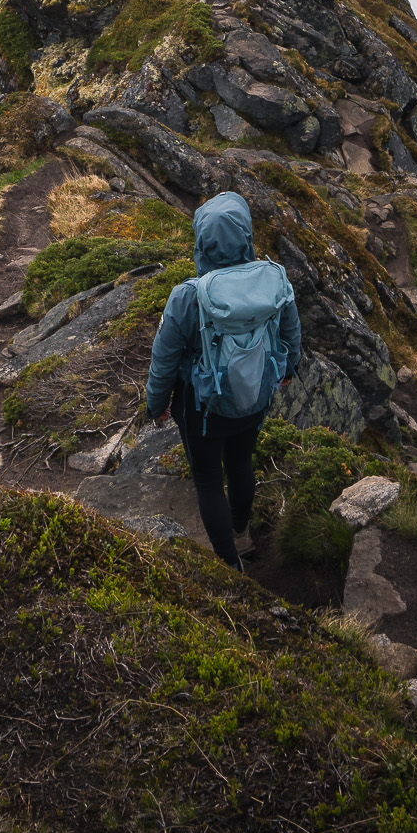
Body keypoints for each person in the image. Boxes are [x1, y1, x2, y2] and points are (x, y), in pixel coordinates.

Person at [145, 191, 302, 569]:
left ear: (201, 243)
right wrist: (288, 370)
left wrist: (156, 404)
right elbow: (291, 333)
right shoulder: (273, 280)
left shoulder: (188, 296)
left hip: (202, 409)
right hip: (254, 397)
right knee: (241, 462)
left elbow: (164, 358)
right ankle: (242, 534)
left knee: (208, 480)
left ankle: (230, 565)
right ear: (246, 237)